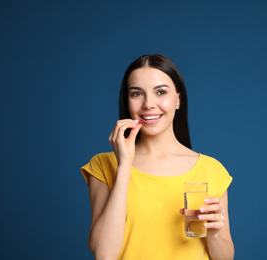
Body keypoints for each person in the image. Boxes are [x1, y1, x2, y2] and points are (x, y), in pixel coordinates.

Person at [81, 54, 234, 260]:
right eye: (137, 94)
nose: (148, 104)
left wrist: (213, 234)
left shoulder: (211, 169)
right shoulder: (103, 165)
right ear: (127, 101)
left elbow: (225, 258)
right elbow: (104, 254)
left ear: (178, 99)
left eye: (160, 92)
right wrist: (124, 165)